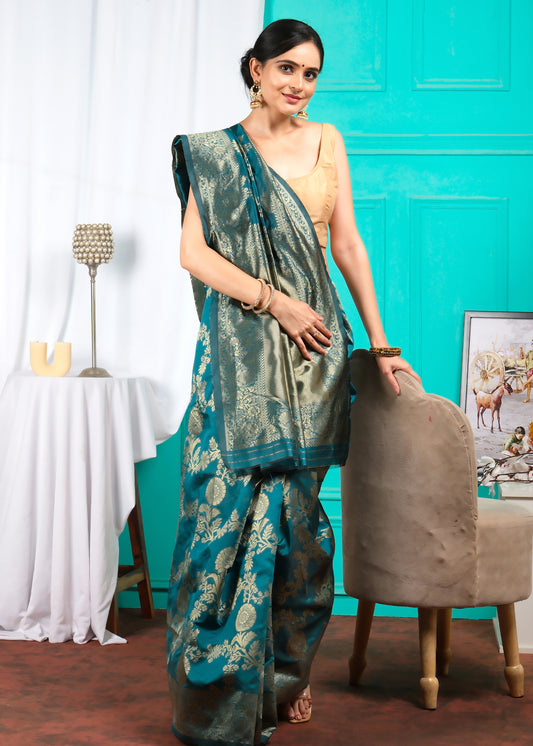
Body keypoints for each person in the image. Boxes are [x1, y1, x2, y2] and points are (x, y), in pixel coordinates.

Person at [167, 18, 419, 746]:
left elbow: (345, 244)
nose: (298, 85)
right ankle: (217, 692)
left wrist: (378, 344)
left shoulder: (327, 141)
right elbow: (193, 254)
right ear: (254, 68)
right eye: (285, 69)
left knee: (298, 527)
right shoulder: (214, 155)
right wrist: (273, 301)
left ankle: (286, 675)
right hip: (239, 357)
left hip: (314, 359)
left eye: (310, 73)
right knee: (221, 520)